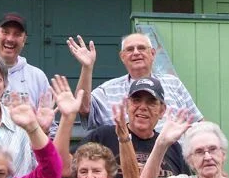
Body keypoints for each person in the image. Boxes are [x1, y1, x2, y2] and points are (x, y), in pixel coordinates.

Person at [68, 32, 203, 129]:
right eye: (130, 49)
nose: (136, 52)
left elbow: (198, 122)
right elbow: (83, 107)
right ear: (122, 57)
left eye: (142, 48)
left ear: (153, 54)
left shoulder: (173, 83)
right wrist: (87, 67)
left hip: (172, 163)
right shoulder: (107, 90)